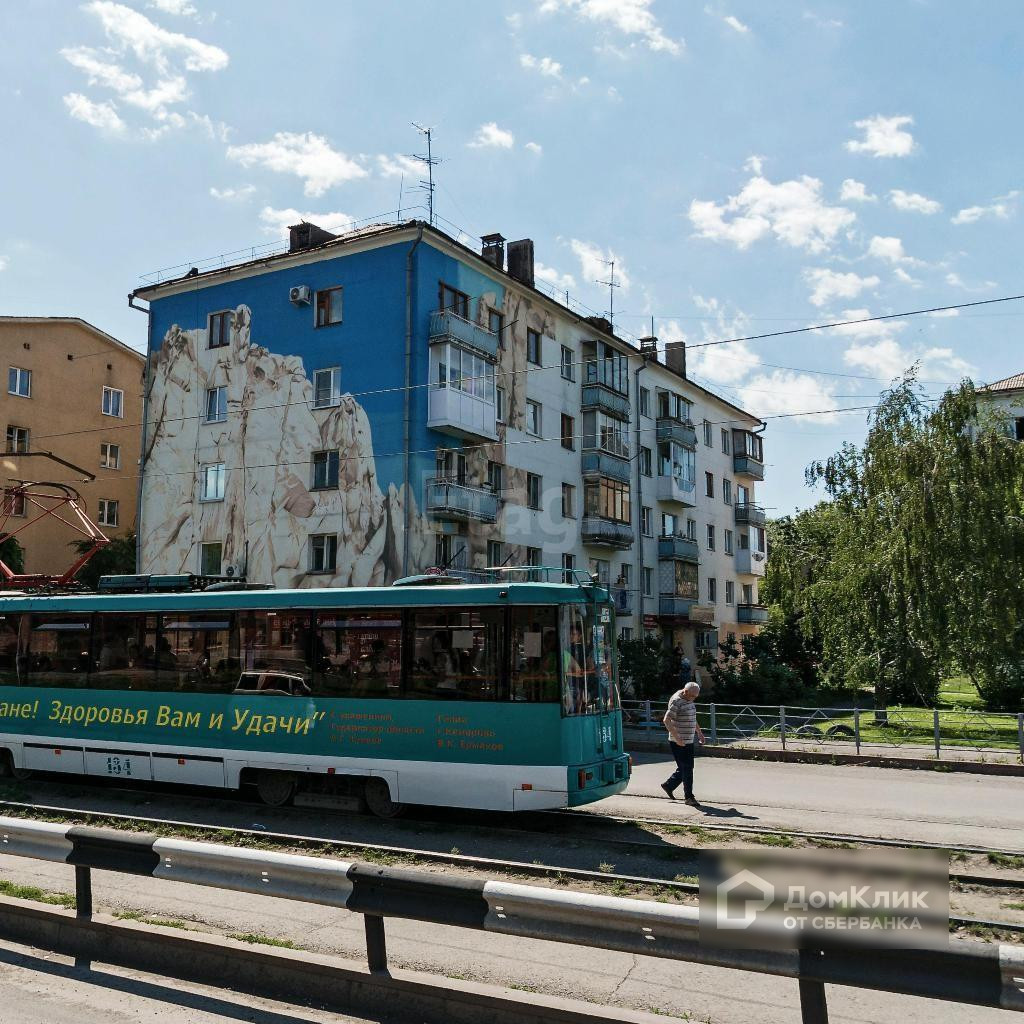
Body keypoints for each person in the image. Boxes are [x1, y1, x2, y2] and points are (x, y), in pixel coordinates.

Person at [661, 681, 704, 806]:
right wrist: (677, 738)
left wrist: (699, 733)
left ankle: (669, 785)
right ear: (685, 691)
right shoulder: (676, 701)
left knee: (685, 768)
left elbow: (692, 717)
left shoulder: (689, 699)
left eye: (696, 697)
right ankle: (689, 797)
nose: (694, 699)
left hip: (688, 740)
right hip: (679, 742)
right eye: (693, 696)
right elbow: (666, 720)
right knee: (687, 769)